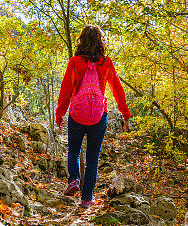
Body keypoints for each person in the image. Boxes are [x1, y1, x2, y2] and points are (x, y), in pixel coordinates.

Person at [55, 25, 131, 208]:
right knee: (93, 157)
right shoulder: (106, 62)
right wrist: (125, 112)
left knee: (73, 151)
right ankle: (87, 199)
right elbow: (117, 89)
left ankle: (73, 179)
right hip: (99, 115)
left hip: (77, 114)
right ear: (100, 41)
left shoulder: (75, 62)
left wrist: (59, 115)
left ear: (82, 40)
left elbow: (65, 90)